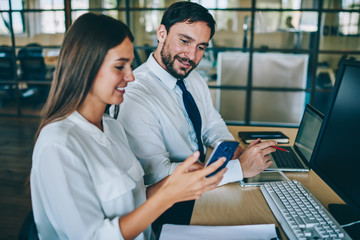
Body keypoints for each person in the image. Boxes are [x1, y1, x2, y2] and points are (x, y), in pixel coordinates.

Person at [30, 13, 226, 240]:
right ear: (86, 67)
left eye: (130, 65)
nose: (131, 76)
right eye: (120, 66)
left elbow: (137, 196)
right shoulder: (58, 144)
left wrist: (175, 181)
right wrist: (168, 196)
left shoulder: (111, 127)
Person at [117, 1, 276, 187]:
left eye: (201, 47)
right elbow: (157, 175)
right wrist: (238, 168)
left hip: (204, 182)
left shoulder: (194, 79)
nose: (191, 56)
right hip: (173, 198)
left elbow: (212, 125)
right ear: (162, 34)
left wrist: (234, 150)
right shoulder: (135, 94)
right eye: (185, 41)